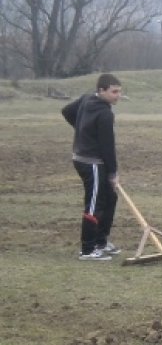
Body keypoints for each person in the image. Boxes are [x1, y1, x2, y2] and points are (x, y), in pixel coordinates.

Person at [62, 73, 124, 261]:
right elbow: (107, 147)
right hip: (91, 163)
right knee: (95, 203)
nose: (118, 95)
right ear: (101, 91)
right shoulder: (105, 114)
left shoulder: (88, 100)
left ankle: (101, 241)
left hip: (91, 160)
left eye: (120, 91)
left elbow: (67, 112)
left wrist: (84, 129)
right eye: (114, 92)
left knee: (110, 198)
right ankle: (88, 250)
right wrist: (113, 173)